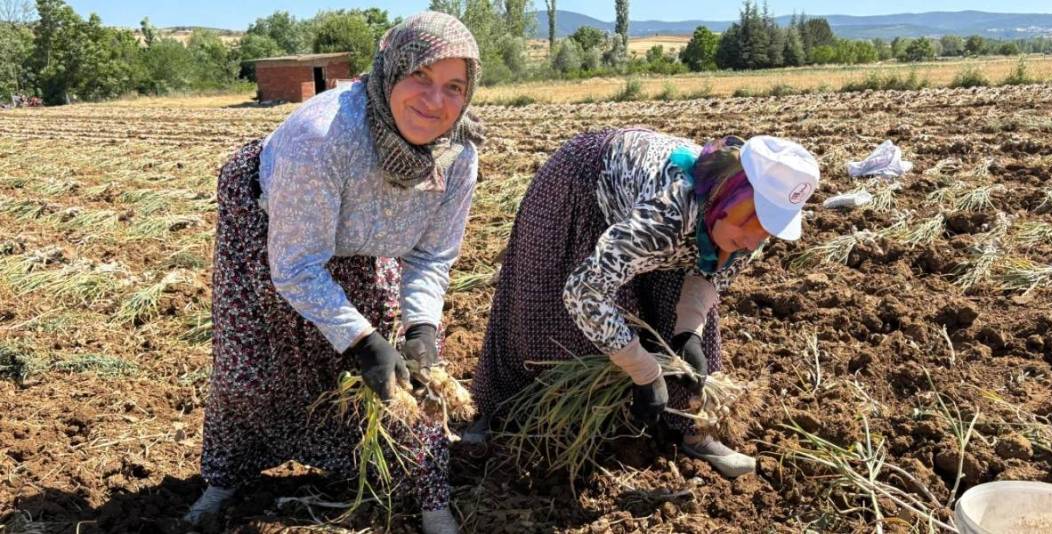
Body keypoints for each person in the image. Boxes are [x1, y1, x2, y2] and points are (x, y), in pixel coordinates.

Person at [183, 12, 482, 534]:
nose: (436, 102)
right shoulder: (322, 137)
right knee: (250, 371)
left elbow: (432, 257)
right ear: (391, 71)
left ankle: (432, 502)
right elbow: (297, 265)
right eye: (421, 77)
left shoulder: (457, 154)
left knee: (407, 385)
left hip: (365, 243)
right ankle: (222, 483)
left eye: (454, 87)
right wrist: (362, 341)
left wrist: (422, 330)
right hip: (270, 231)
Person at [470, 129, 820, 478]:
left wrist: (689, 332)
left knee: (677, 325)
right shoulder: (668, 212)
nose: (753, 240)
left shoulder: (744, 230)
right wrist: (643, 370)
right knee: (544, 312)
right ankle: (501, 412)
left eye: (767, 229)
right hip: (584, 184)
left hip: (668, 217)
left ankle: (691, 429)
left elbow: (709, 276)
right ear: (730, 197)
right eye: (752, 222)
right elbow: (585, 292)